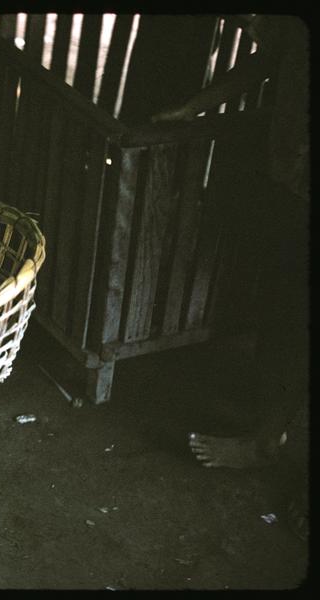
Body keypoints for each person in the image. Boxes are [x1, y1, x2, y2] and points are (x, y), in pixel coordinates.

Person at [151, 15, 309, 538]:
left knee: (296, 323)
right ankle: (268, 430)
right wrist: (194, 106)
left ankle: (271, 447)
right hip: (295, 184)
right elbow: (271, 57)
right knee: (284, 315)